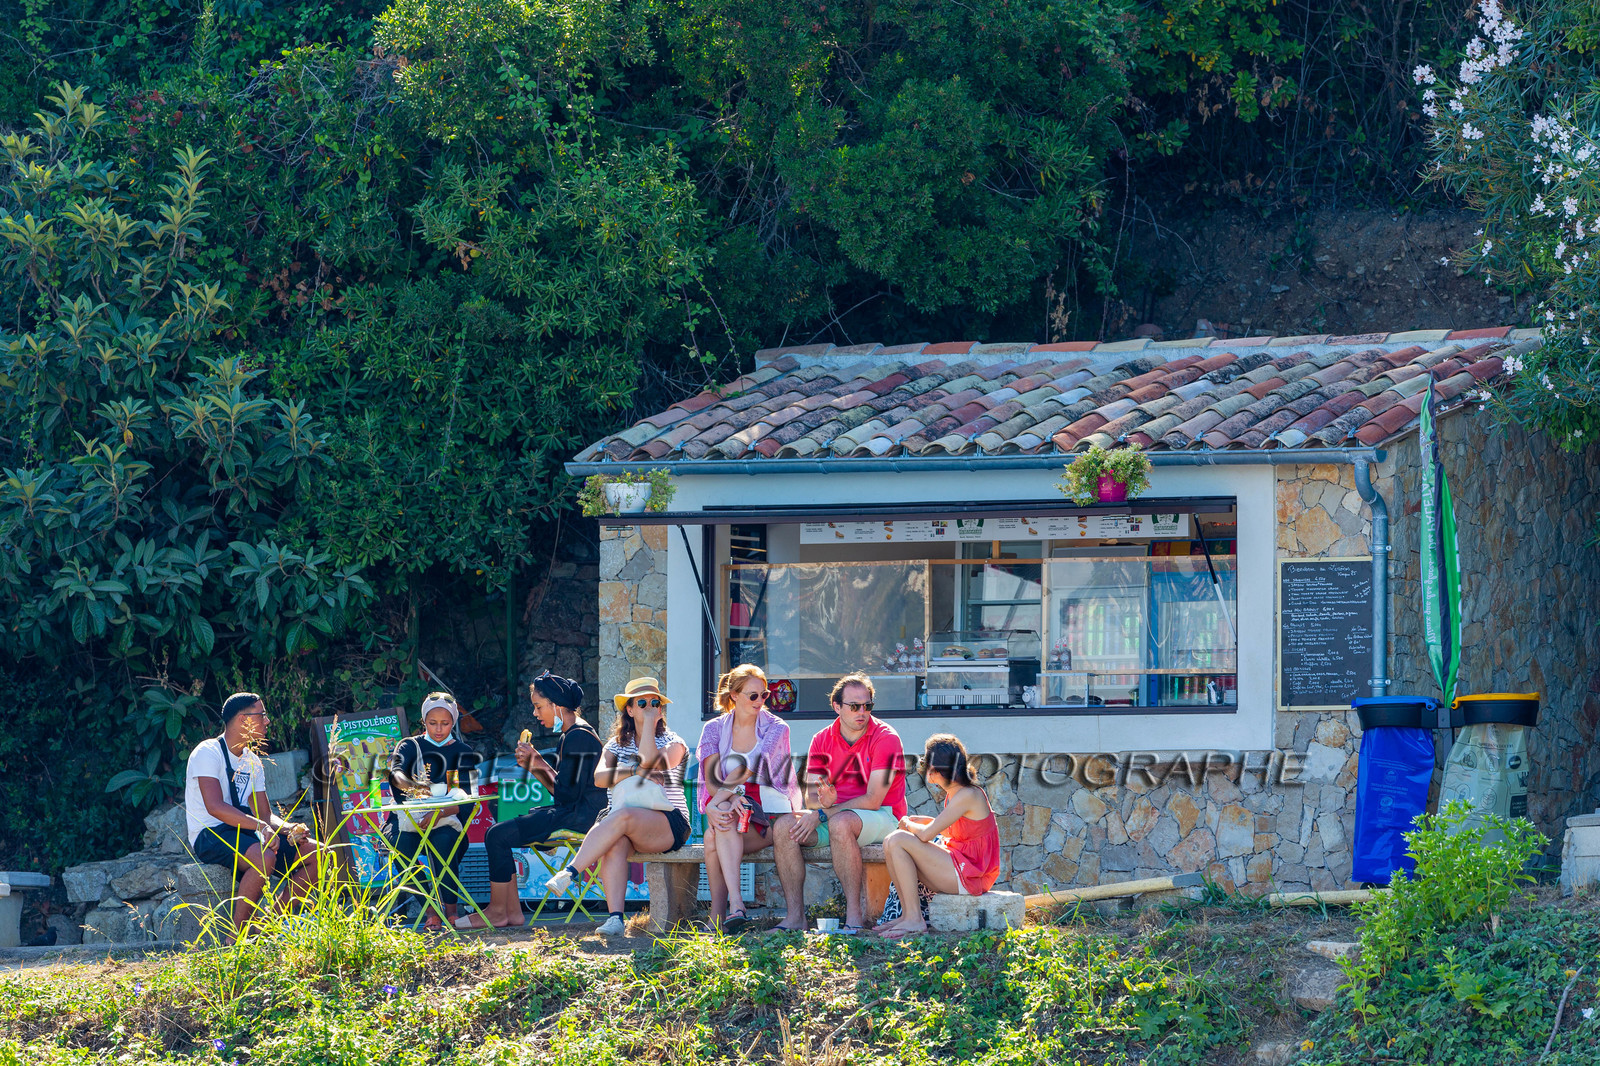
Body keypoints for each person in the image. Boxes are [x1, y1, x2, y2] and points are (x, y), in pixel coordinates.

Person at [543, 677, 691, 937]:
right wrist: (633, 769)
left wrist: (647, 730)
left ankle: (570, 872)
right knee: (615, 840)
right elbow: (600, 778)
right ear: (630, 710)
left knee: (621, 817)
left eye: (654, 703)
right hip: (622, 822)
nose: (648, 707)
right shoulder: (614, 745)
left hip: (667, 823)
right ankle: (615, 919)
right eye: (641, 703)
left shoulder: (674, 743)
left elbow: (653, 764)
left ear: (660, 710)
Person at [459, 671, 606, 929]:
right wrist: (534, 764)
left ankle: (498, 911)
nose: (536, 714)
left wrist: (537, 763)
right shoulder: (572, 734)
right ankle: (511, 912)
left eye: (539, 707)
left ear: (556, 706)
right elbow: (563, 791)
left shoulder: (578, 736)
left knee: (496, 835)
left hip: (582, 818)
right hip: (576, 812)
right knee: (497, 834)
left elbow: (566, 795)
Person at [186, 691, 319, 929]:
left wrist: (289, 828)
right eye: (262, 715)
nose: (267, 721)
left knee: (319, 854)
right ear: (242, 720)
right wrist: (262, 827)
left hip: (246, 831)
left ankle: (269, 922)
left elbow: (265, 815)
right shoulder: (208, 752)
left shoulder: (253, 761)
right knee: (264, 856)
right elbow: (215, 807)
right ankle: (236, 935)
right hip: (210, 832)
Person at [787, 673, 908, 933]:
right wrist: (823, 803)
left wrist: (824, 812)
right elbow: (811, 797)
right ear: (837, 707)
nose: (862, 712)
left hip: (884, 815)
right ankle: (795, 918)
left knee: (840, 823)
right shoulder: (821, 739)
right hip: (836, 816)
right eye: (854, 706)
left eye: (867, 705)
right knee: (784, 827)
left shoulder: (886, 737)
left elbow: (874, 800)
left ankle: (853, 919)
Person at [697, 665, 806, 932]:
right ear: (734, 695)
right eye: (753, 695)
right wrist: (727, 799)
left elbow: (753, 766)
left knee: (716, 827)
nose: (760, 702)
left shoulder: (776, 727)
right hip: (734, 813)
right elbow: (711, 782)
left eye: (764, 695)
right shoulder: (713, 729)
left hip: (770, 816)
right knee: (717, 828)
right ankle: (735, 908)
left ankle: (721, 913)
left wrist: (721, 800)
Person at [873, 733, 1000, 939]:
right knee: (890, 842)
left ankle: (914, 919)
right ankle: (908, 915)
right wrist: (919, 821)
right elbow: (949, 828)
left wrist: (907, 823)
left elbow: (926, 836)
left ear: (938, 770)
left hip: (972, 874)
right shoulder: (956, 793)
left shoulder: (967, 795)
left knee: (897, 839)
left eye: (926, 763)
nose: (924, 768)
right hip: (963, 866)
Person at [386, 692, 477, 930]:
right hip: (407, 820)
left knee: (444, 842)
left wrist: (438, 813)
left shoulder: (462, 751)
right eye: (432, 723)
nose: (438, 729)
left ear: (454, 722)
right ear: (424, 721)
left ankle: (451, 909)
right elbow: (395, 773)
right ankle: (430, 909)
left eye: (445, 723)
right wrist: (412, 785)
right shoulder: (409, 745)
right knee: (401, 846)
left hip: (447, 819)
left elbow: (468, 798)